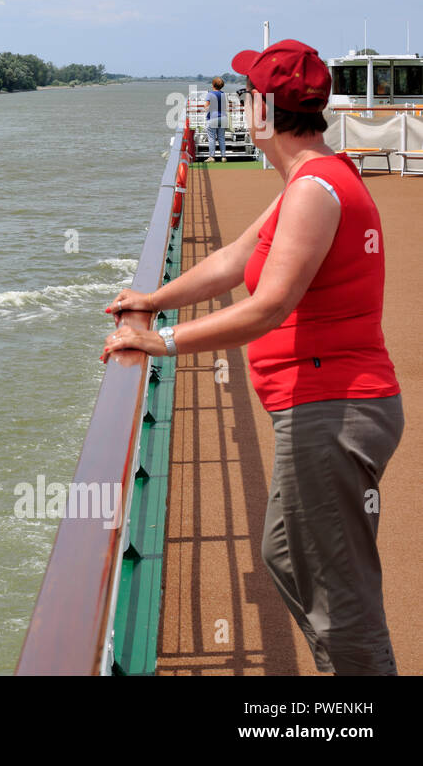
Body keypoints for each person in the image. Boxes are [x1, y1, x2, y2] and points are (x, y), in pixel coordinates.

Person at [102, 39, 403, 676]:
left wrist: (165, 341)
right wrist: (152, 299)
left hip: (334, 408)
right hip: (327, 404)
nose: (238, 107)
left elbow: (268, 305)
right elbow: (233, 259)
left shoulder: (315, 190)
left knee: (340, 597)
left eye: (245, 96)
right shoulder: (311, 179)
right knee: (286, 554)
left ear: (263, 112)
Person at [205, 76, 227, 162]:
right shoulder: (223, 94)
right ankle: (223, 156)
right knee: (221, 137)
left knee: (212, 138)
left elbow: (206, 106)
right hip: (223, 117)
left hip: (213, 118)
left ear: (213, 85)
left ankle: (212, 157)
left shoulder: (210, 94)